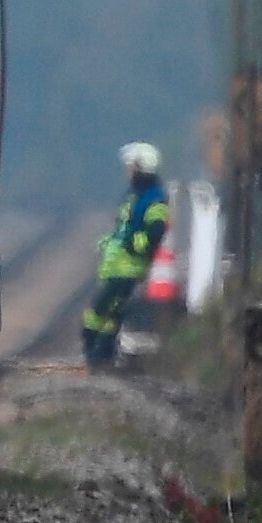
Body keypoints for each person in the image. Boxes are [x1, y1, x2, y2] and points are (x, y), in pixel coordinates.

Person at [80, 141, 171, 371]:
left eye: (131, 166)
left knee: (100, 313)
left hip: (128, 269)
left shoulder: (153, 199)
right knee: (110, 315)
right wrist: (110, 242)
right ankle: (100, 357)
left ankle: (98, 353)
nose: (128, 171)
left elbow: (155, 232)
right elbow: (125, 227)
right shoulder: (136, 196)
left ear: (142, 169)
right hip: (118, 268)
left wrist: (133, 245)